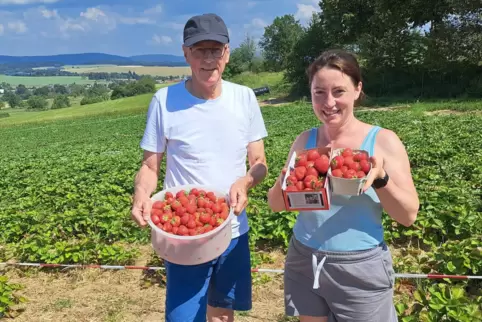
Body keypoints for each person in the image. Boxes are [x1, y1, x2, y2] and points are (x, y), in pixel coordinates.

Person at [130, 13, 268, 322]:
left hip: (231, 229)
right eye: (199, 50)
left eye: (215, 50)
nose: (208, 59)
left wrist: (245, 182)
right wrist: (141, 195)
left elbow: (259, 163)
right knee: (183, 317)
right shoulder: (164, 100)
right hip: (184, 239)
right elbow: (150, 167)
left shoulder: (244, 98)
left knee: (221, 316)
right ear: (186, 53)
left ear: (227, 54)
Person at [267, 49, 419, 322]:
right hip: (304, 258)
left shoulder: (383, 141)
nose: (329, 102)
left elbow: (408, 216)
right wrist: (286, 178)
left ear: (357, 89)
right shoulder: (305, 141)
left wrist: (381, 178)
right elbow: (275, 204)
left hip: (359, 266)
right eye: (319, 92)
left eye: (339, 91)